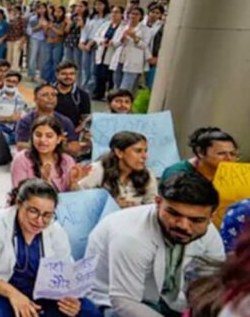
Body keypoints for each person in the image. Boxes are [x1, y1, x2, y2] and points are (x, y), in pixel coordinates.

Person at [86, 172, 225, 317]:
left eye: (195, 220)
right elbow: (124, 301)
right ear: (158, 202)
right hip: (116, 302)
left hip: (167, 299)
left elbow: (215, 284)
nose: (184, 226)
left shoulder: (208, 232)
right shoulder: (131, 235)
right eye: (174, 214)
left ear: (211, 217)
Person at [0, 179, 101, 317]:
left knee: (88, 310)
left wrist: (71, 301)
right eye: (33, 211)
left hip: (42, 293)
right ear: (19, 204)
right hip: (0, 291)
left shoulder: (55, 232)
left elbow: (65, 270)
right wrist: (14, 295)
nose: (39, 221)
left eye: (47, 215)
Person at [76, 131, 157, 208]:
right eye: (138, 151)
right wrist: (111, 205)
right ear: (119, 153)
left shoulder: (147, 175)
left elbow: (152, 205)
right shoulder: (98, 170)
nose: (145, 156)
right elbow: (80, 199)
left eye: (145, 151)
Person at [12, 116, 78, 192]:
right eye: (38, 135)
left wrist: (74, 184)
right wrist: (45, 184)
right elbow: (21, 195)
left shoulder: (67, 160)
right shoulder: (21, 160)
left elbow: (73, 196)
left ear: (59, 139)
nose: (42, 140)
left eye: (49, 136)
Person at [15, 84, 79, 153]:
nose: (50, 98)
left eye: (53, 95)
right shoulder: (26, 121)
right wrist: (51, 144)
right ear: (35, 99)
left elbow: (75, 147)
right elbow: (20, 146)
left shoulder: (65, 121)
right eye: (45, 95)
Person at [161, 127, 238, 182]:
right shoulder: (177, 173)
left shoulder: (237, 175)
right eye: (221, 153)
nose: (229, 158)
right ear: (200, 152)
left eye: (232, 154)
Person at [110, 7, 152, 91]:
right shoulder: (122, 27)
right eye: (132, 14)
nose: (133, 16)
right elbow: (115, 43)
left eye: (137, 14)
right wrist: (122, 39)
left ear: (141, 16)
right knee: (117, 86)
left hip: (133, 61)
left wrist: (134, 37)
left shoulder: (145, 30)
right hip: (119, 60)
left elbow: (145, 46)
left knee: (125, 88)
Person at [79, 0, 111, 95]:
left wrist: (90, 43)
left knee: (94, 69)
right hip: (87, 42)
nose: (98, 7)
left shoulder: (107, 18)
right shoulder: (91, 17)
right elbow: (85, 30)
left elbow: (99, 32)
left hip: (97, 44)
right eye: (96, 4)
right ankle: (83, 88)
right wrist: (82, 41)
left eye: (100, 4)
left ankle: (90, 89)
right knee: (85, 67)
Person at [93, 5, 125, 99]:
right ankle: (98, 93)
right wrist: (101, 40)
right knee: (99, 74)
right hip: (102, 50)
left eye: (117, 12)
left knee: (110, 75)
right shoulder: (106, 24)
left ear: (121, 14)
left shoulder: (124, 27)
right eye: (113, 12)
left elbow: (121, 40)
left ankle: (111, 95)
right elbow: (96, 36)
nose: (114, 14)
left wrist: (113, 42)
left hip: (113, 53)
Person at [0, 70, 29, 144]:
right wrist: (9, 118)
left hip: (15, 128)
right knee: (4, 139)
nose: (10, 84)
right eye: (8, 81)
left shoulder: (21, 98)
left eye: (14, 82)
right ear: (4, 80)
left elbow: (18, 117)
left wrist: (3, 118)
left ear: (17, 84)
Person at [54, 61, 92, 130]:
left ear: (76, 75)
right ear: (57, 75)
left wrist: (74, 134)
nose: (68, 77)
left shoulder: (83, 95)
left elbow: (85, 119)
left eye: (71, 74)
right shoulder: (48, 92)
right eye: (64, 74)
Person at [42, 6, 68, 84]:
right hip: (49, 42)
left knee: (56, 62)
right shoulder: (51, 21)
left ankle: (54, 80)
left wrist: (52, 27)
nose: (57, 13)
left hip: (58, 44)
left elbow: (61, 33)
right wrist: (46, 28)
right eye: (56, 11)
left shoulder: (64, 22)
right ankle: (46, 79)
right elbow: (45, 32)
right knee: (47, 61)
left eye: (59, 11)